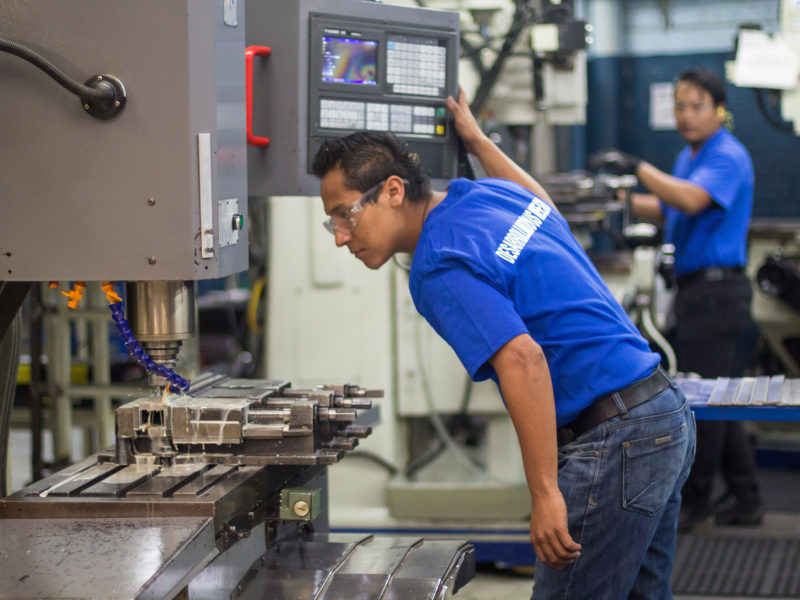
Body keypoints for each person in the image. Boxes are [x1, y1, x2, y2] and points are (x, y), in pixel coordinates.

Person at [311, 88, 696, 599]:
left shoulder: (437, 265)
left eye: (346, 214)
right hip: (664, 414)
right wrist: (477, 140)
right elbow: (546, 207)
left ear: (394, 191)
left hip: (616, 440)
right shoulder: (488, 195)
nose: (340, 236)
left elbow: (523, 359)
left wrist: (545, 494)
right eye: (331, 222)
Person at [590, 67, 763, 532]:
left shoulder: (727, 155)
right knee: (717, 396)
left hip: (717, 293)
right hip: (695, 291)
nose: (686, 115)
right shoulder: (690, 156)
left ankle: (696, 500)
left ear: (719, 110)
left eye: (696, 106)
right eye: (680, 106)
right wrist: (615, 197)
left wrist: (637, 169)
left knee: (702, 401)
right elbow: (667, 208)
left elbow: (689, 201)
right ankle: (746, 496)